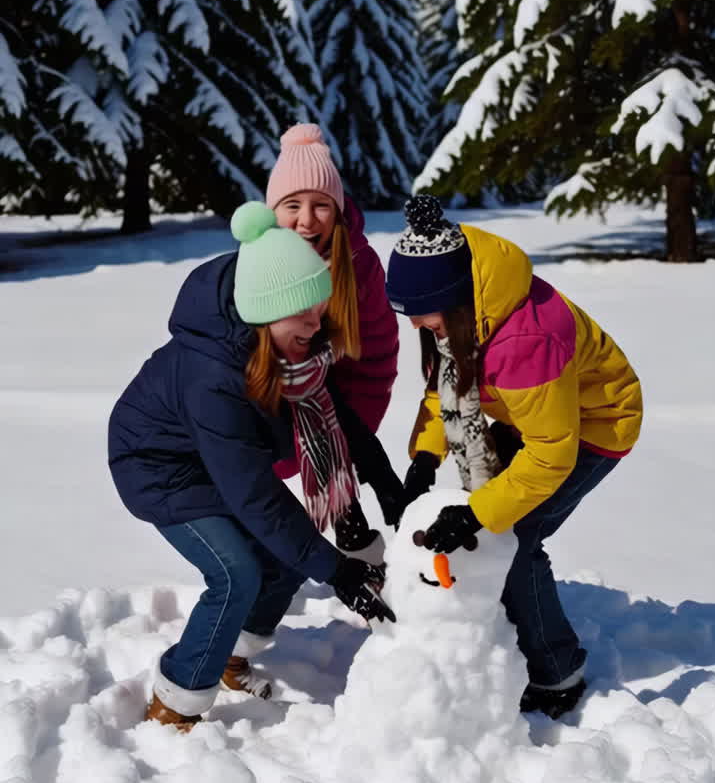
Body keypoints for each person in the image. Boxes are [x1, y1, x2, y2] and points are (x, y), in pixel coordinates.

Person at [109, 202, 398, 731]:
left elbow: (335, 415)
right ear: (265, 312)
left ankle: (229, 656)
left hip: (212, 460)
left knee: (286, 558)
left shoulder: (290, 347)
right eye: (303, 312)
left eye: (320, 306)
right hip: (157, 467)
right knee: (235, 572)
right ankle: (176, 699)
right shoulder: (214, 379)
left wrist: (386, 481)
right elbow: (255, 496)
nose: (317, 322)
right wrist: (338, 571)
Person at [386, 195, 643, 719]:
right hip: (531, 414)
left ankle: (557, 672)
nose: (414, 326)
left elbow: (551, 455)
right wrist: (425, 456)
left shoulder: (525, 340)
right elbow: (445, 388)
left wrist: (480, 513)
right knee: (491, 522)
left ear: (453, 300)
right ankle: (506, 617)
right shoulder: (465, 305)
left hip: (595, 425)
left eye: (421, 313)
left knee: (517, 536)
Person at [267, 123, 400, 555]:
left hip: (336, 399)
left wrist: (356, 428)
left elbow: (377, 348)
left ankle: (369, 551)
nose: (307, 220)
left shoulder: (357, 263)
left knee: (348, 448)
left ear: (337, 209)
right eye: (293, 205)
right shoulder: (260, 264)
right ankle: (276, 560)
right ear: (274, 210)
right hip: (270, 394)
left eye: (320, 205)